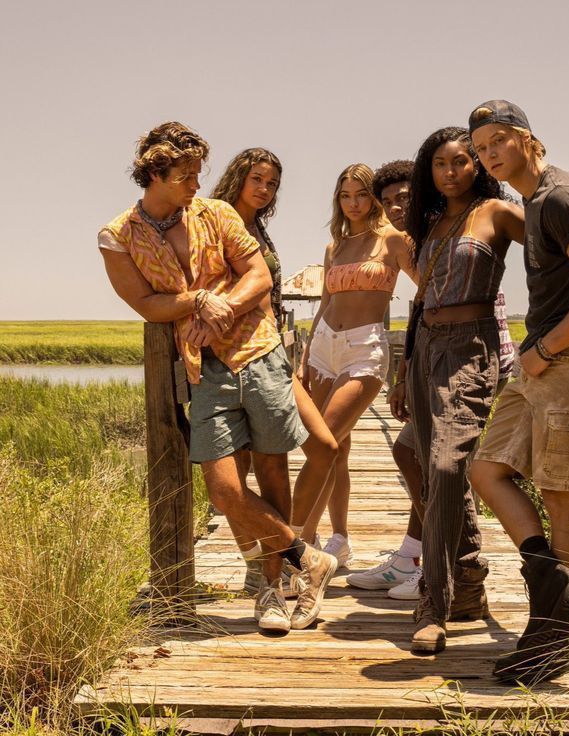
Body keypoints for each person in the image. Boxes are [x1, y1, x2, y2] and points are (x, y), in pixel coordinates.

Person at [98, 122, 337, 635]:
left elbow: (259, 275)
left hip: (259, 351)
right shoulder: (118, 236)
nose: (195, 185)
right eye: (185, 176)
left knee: (273, 472)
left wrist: (222, 305)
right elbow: (144, 302)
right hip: (202, 369)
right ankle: (306, 557)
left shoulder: (218, 213)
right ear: (155, 174)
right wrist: (195, 301)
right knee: (225, 490)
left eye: (197, 174)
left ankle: (273, 592)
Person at [467, 100, 569, 684]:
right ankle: (558, 586)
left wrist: (547, 347)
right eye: (482, 149)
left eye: (499, 142)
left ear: (529, 139)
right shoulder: (539, 200)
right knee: (487, 471)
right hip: (542, 361)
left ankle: (556, 641)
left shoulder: (558, 197)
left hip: (568, 358)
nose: (490, 155)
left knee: (561, 494)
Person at [346, 160, 516, 601]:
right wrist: (405, 375)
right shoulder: (425, 239)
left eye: (404, 196)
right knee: (417, 453)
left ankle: (447, 567)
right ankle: (413, 557)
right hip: (435, 360)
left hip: (474, 357)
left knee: (434, 460)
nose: (396, 207)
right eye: (387, 202)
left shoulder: (457, 226)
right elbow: (423, 308)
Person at [390, 126, 526, 655]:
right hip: (425, 345)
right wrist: (403, 370)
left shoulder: (497, 213)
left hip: (471, 347)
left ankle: (434, 603)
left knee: (447, 466)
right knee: (432, 464)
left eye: (461, 162)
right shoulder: (428, 223)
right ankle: (467, 584)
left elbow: (562, 236)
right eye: (440, 164)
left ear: (478, 166)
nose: (450, 171)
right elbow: (421, 299)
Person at [210, 148, 339, 597]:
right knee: (245, 469)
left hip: (275, 354)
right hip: (237, 356)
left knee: (324, 447)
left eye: (272, 184)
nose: (264, 190)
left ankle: (284, 547)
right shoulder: (219, 220)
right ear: (238, 178)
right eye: (257, 180)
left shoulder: (255, 226)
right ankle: (265, 560)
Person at [299, 163, 418, 566]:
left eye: (361, 194)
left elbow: (430, 290)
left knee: (322, 444)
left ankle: (302, 546)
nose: (353, 203)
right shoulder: (336, 246)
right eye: (345, 195)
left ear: (373, 198)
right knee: (339, 449)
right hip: (323, 348)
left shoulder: (395, 241)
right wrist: (304, 354)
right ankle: (340, 539)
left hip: (364, 349)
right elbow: (326, 303)